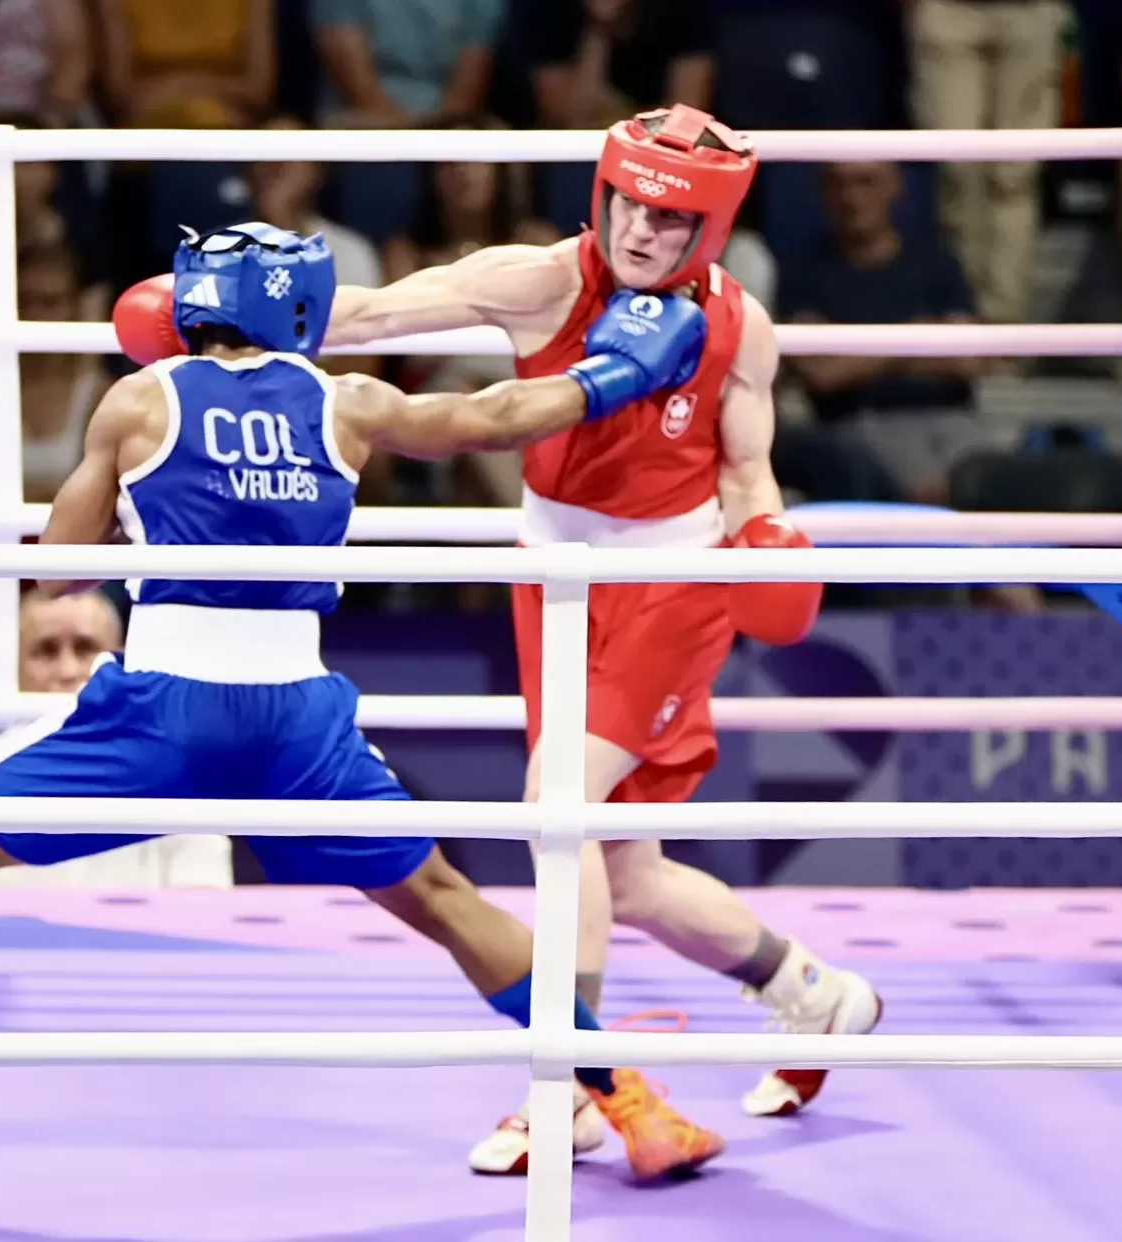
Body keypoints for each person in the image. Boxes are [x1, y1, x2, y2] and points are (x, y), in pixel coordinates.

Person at [0, 220, 725, 1196]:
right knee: (448, 904)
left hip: (161, 711)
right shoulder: (349, 402)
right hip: (299, 727)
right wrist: (620, 371)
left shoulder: (135, 401)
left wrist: (133, 491)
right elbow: (496, 417)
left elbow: (58, 577)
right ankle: (631, 1104)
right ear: (295, 305)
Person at [113, 105, 884, 1174]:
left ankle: (568, 1087)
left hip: (670, 582)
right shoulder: (543, 282)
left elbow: (744, 466)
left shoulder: (740, 328)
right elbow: (375, 314)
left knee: (555, 810)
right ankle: (817, 994)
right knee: (629, 868)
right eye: (629, 205)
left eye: (669, 220)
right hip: (554, 577)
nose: (641, 234)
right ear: (603, 190)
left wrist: (764, 535)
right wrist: (219, 325)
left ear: (707, 230)